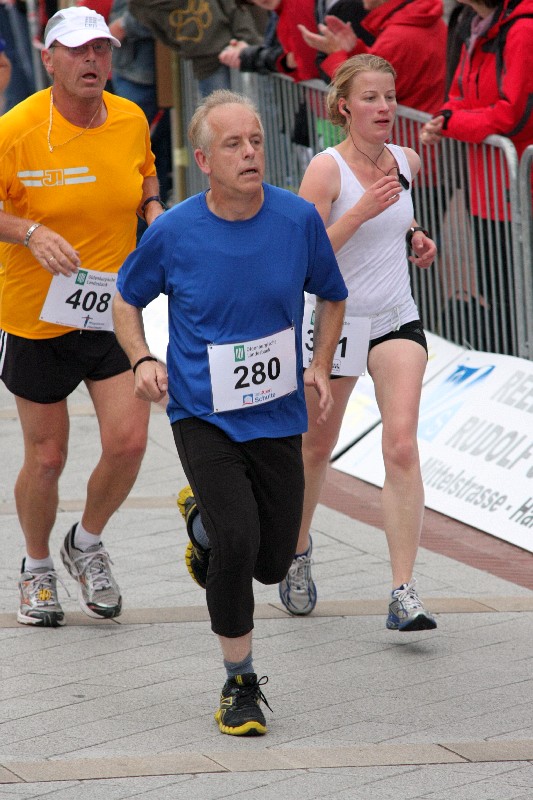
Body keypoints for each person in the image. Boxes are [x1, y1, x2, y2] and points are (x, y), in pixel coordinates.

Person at [112, 89, 347, 735]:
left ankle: (203, 524)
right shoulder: (174, 230)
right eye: (233, 144)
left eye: (256, 141)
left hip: (278, 413)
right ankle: (238, 682)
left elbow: (332, 294)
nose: (250, 153)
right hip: (202, 413)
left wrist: (319, 363)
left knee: (272, 562)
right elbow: (125, 299)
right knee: (239, 544)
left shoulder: (296, 220)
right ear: (203, 160)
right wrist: (140, 359)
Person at [0, 5, 164, 628]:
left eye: (100, 50)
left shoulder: (129, 119)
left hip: (110, 308)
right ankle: (37, 565)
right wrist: (29, 231)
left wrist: (154, 214)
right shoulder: (15, 129)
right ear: (49, 59)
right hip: (35, 316)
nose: (92, 60)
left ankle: (86, 543)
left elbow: (145, 179)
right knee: (47, 457)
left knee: (129, 441)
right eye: (77, 50)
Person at [279, 54, 438, 633]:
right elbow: (303, 256)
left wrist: (416, 236)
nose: (385, 107)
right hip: (336, 322)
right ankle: (297, 550)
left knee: (401, 446)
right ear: (344, 106)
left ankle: (403, 590)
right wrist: (361, 212)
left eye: (390, 96)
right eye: (371, 97)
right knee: (315, 448)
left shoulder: (406, 160)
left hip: (396, 318)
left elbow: (399, 222)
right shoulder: (326, 171)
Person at [420, 0, 533, 354]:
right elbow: (456, 95)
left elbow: (513, 115)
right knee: (498, 288)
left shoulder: (522, 29)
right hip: (486, 186)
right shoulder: (475, 24)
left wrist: (452, 122)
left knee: (519, 291)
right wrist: (445, 118)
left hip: (518, 188)